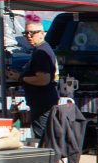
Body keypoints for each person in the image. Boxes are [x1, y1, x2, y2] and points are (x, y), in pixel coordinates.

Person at [6, 14, 59, 145]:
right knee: (42, 137)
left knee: (42, 140)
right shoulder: (39, 50)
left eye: (33, 33)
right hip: (41, 102)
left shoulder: (42, 52)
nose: (28, 36)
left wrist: (20, 77)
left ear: (42, 33)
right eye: (26, 33)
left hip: (43, 103)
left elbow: (43, 79)